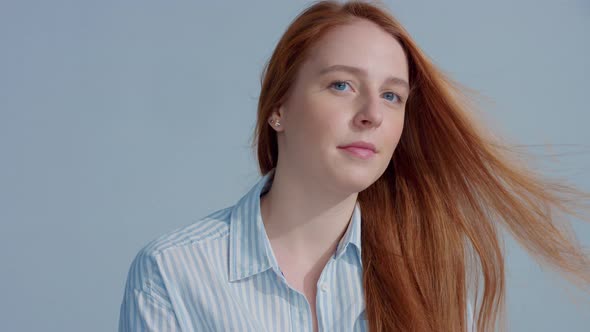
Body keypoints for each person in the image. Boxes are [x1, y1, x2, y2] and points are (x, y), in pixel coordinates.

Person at [118, 1, 590, 331]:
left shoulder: (434, 274)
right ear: (277, 108)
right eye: (342, 85)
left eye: (392, 95)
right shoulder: (173, 272)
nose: (372, 114)